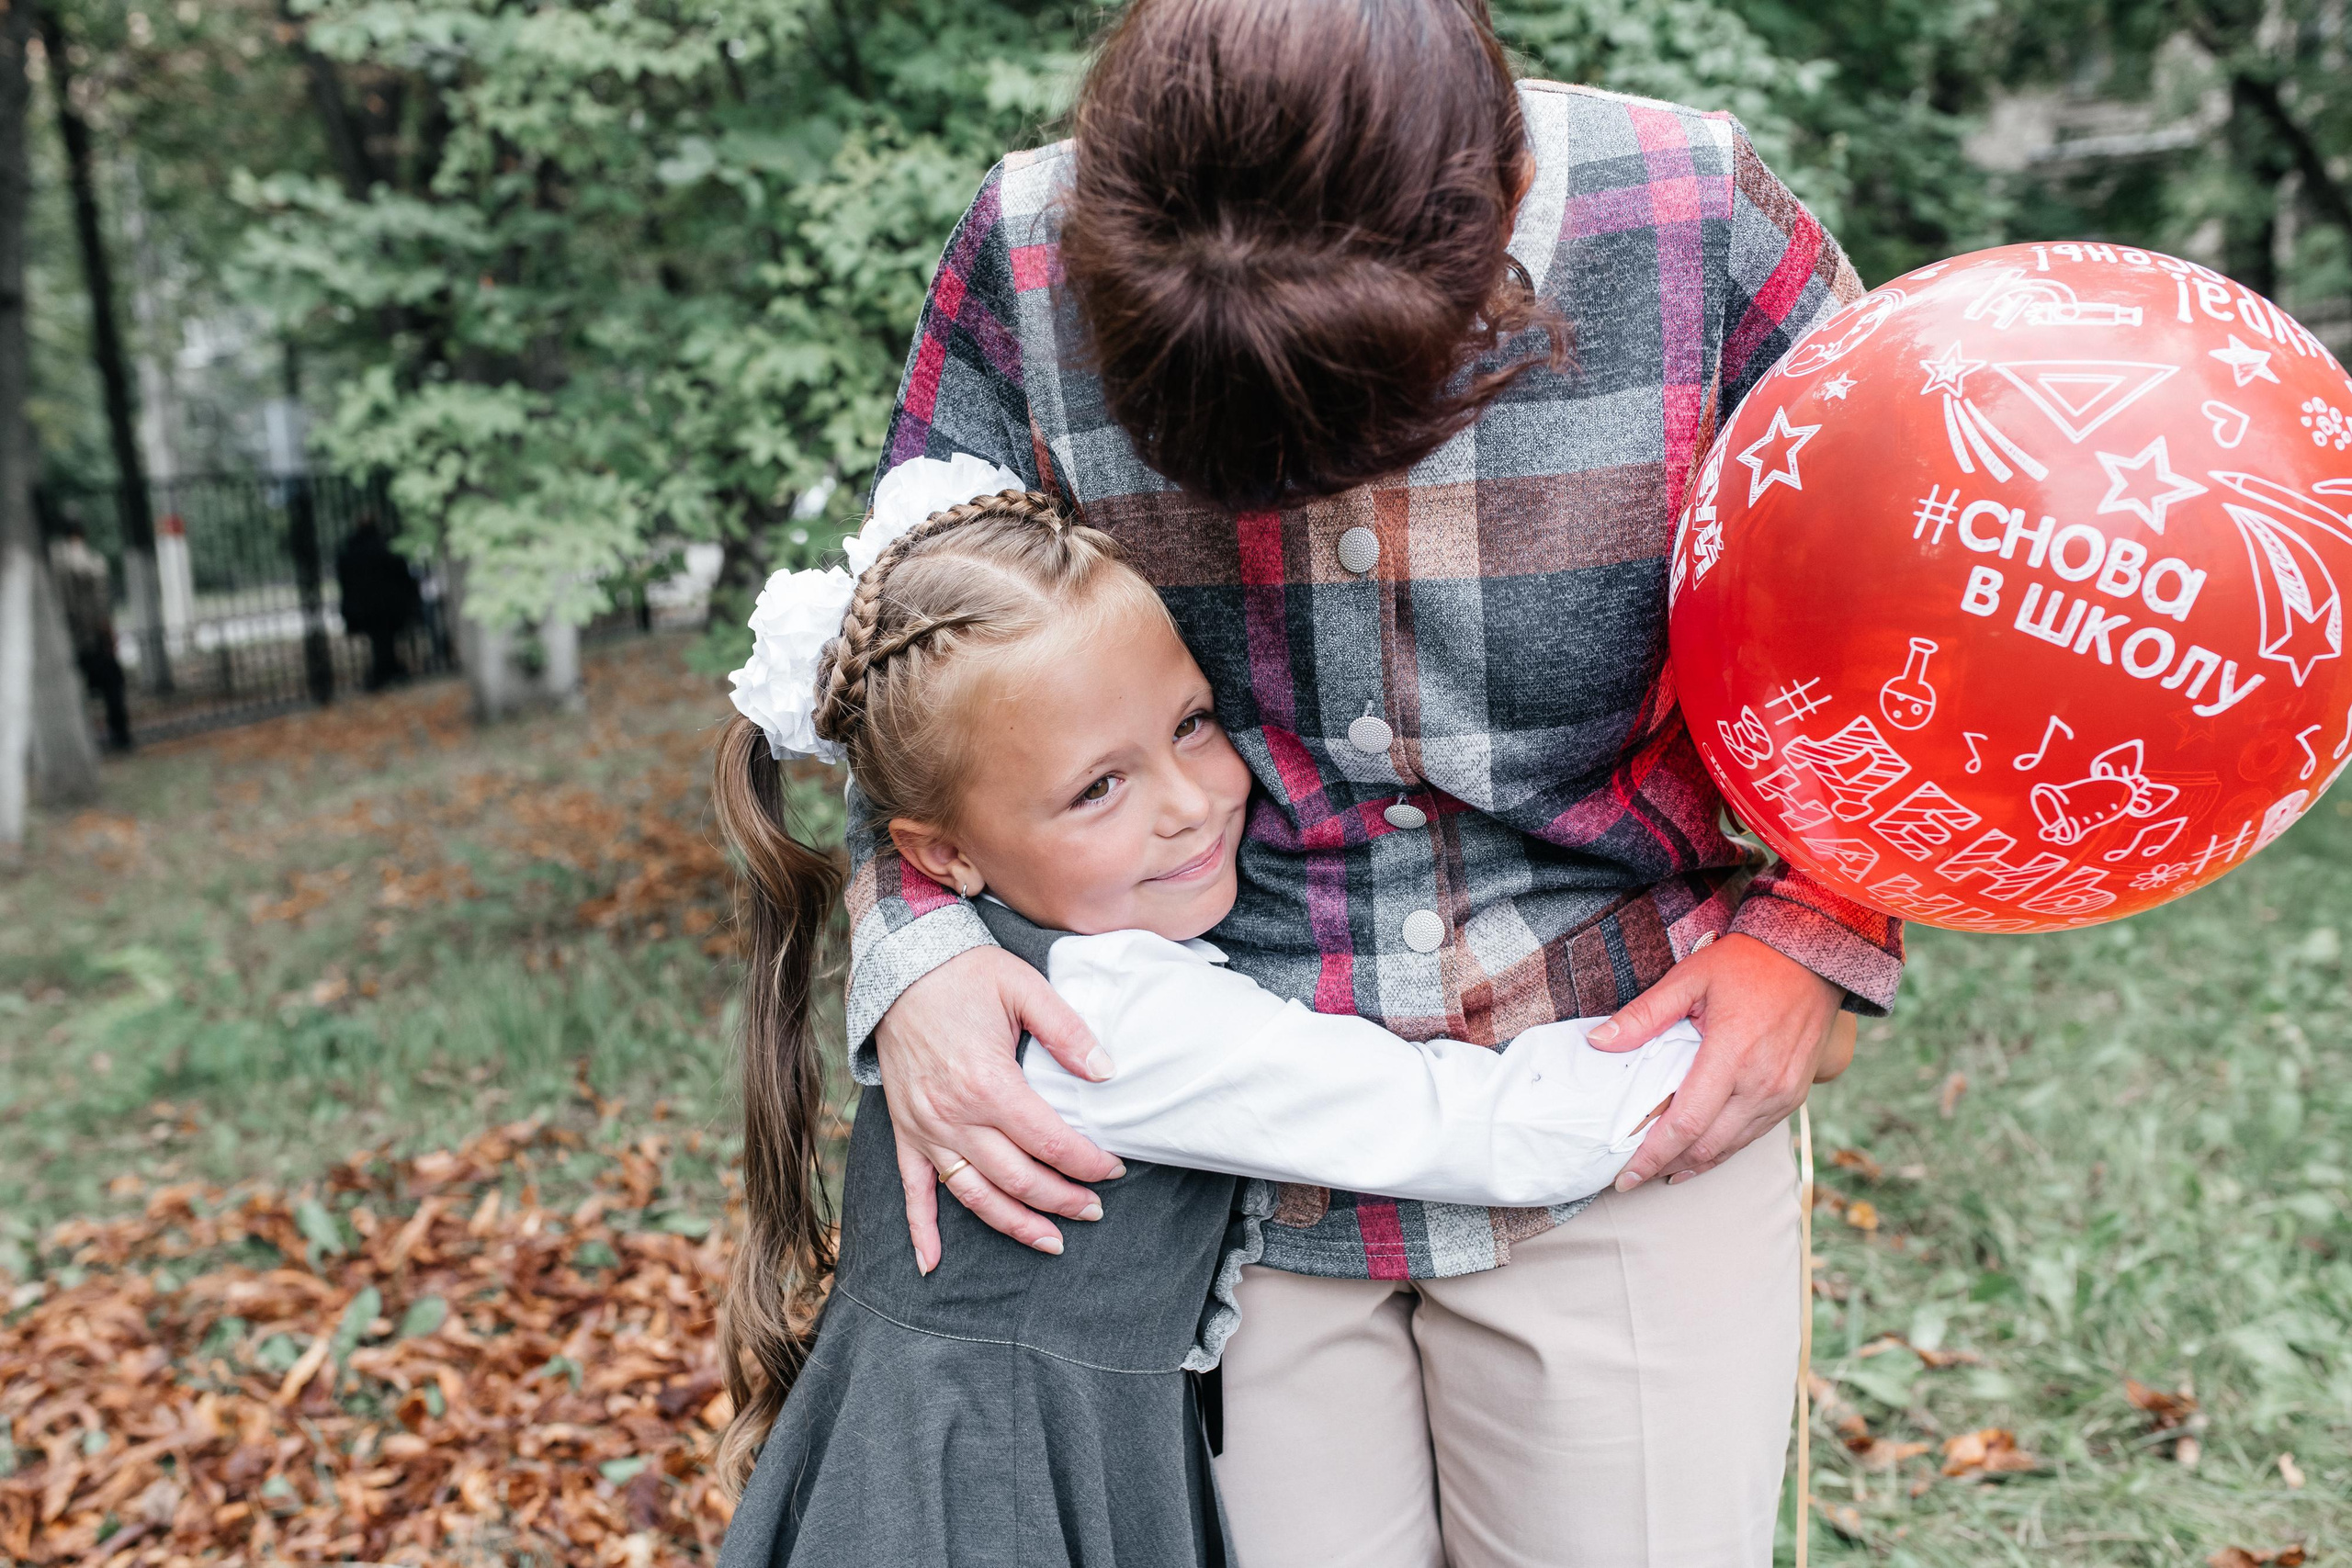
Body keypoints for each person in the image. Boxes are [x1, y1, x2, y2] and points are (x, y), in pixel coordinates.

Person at [848, 2, 1903, 1562]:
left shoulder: (1698, 215)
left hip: (1627, 1077)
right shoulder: (1017, 252)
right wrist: (915, 952)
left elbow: (1909, 621)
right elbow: (909, 653)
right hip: (1206, 1162)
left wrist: (1824, 930)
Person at [708, 459, 1722, 1568]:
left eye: (1191, 724)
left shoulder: (1015, 960)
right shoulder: (1105, 1021)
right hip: (1003, 1487)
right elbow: (1453, 1124)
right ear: (938, 855)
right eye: (1100, 787)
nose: (1189, 803)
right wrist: (1697, 1048)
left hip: (944, 1445)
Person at [50, 520, 131, 751]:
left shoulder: (50, 560)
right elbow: (99, 600)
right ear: (81, 534)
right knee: (112, 685)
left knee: (74, 691)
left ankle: (78, 743)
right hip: (92, 636)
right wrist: (107, 632)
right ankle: (120, 737)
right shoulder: (84, 559)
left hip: (65, 640)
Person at [334, 513, 422, 691]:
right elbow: (402, 575)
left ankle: (384, 672)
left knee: (380, 641)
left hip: (366, 607)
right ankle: (387, 671)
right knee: (384, 640)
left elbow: (345, 579)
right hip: (388, 605)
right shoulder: (386, 546)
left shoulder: (351, 548)